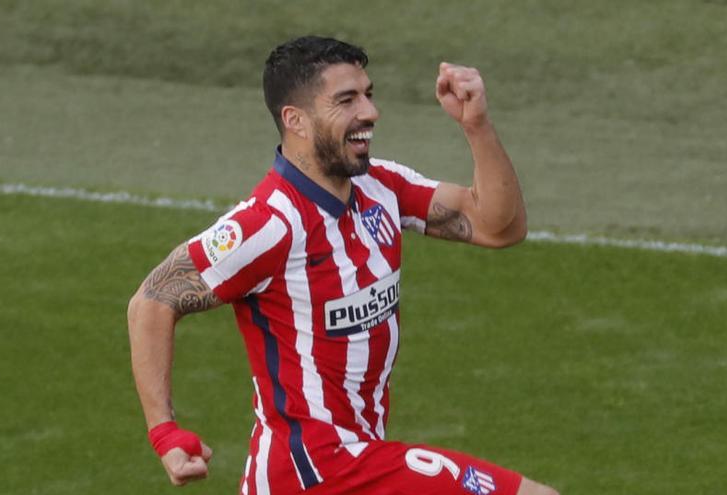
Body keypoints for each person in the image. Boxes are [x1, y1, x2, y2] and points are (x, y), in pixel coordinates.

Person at [128, 36, 558, 495]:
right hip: (315, 468)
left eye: (368, 95)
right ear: (295, 120)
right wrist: (165, 433)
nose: (369, 113)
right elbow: (153, 300)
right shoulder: (268, 224)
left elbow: (499, 226)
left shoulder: (381, 188)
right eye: (346, 100)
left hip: (349, 461)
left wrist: (477, 127)